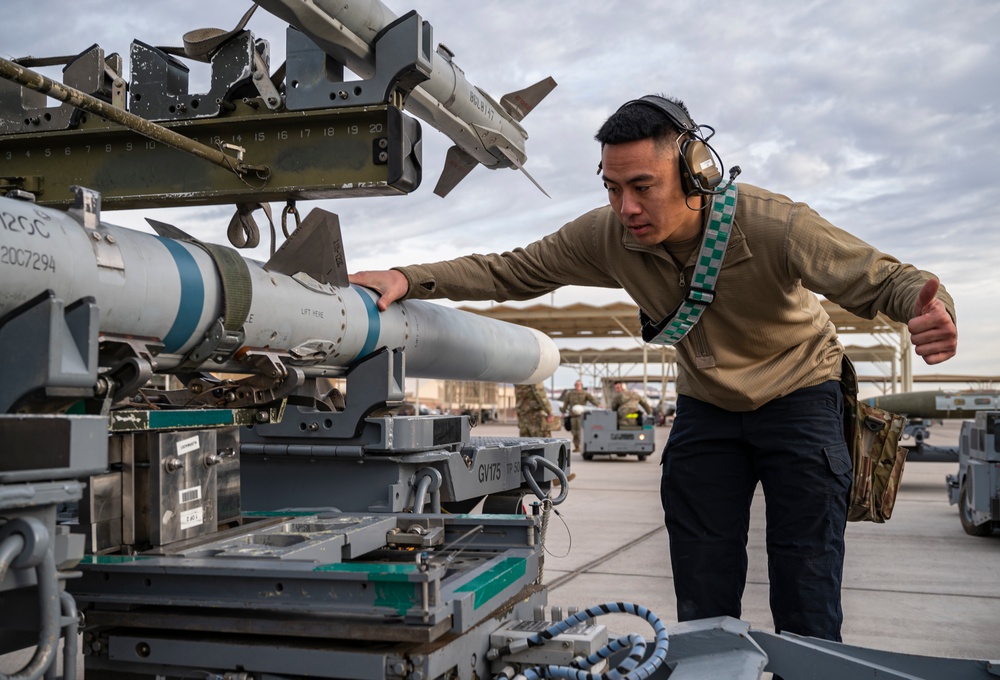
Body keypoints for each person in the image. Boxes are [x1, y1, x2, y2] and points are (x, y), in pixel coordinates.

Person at [349, 94, 958, 642]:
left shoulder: (777, 226)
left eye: (643, 186)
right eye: (612, 189)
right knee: (702, 576)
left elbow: (891, 280)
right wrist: (411, 277)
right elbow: (513, 269)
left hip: (799, 391)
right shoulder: (607, 235)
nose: (626, 207)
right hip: (708, 405)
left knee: (807, 575)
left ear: (698, 172)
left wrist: (930, 312)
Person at [561, 380, 601, 451]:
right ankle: (577, 446)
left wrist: (598, 405)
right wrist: (563, 412)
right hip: (573, 416)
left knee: (580, 432)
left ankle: (581, 446)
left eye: (579, 385)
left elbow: (592, 400)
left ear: (581, 386)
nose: (578, 386)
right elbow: (566, 403)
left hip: (581, 416)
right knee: (574, 432)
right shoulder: (570, 394)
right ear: (575, 385)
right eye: (577, 385)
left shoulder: (585, 393)